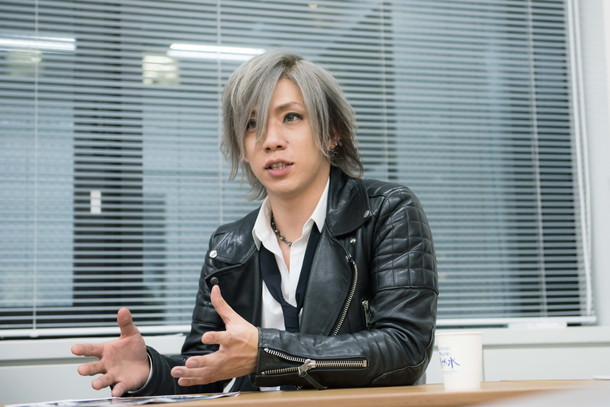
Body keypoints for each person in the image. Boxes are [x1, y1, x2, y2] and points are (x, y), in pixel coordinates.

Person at [72, 50, 438, 395]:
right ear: (243, 150)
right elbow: (207, 371)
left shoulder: (385, 212)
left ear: (331, 132)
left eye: (291, 117)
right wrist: (150, 371)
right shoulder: (227, 246)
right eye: (252, 125)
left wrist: (266, 351)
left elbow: (405, 349)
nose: (270, 140)